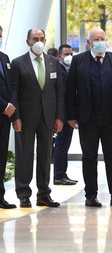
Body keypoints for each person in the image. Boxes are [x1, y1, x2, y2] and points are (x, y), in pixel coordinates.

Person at [66, 28, 112, 208]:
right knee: (89, 157)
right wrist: (70, 115)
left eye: (102, 38)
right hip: (88, 118)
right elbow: (70, 90)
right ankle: (91, 195)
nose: (100, 41)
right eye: (96, 39)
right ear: (89, 42)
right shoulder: (78, 61)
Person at [12, 28, 64, 208]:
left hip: (48, 117)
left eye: (42, 38)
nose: (39, 41)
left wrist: (59, 117)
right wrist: (15, 117)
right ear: (28, 42)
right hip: (25, 118)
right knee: (24, 157)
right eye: (35, 38)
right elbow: (14, 93)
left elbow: (59, 92)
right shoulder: (18, 63)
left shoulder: (53, 63)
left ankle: (43, 194)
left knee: (45, 156)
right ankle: (23, 194)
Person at [53, 44, 78, 185]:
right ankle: (59, 175)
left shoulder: (69, 70)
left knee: (65, 144)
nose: (69, 57)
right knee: (62, 144)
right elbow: (62, 94)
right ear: (59, 56)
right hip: (63, 115)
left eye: (71, 54)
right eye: (66, 54)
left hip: (69, 113)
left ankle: (62, 173)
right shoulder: (59, 70)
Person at [0, 25, 17, 209]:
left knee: (2, 156)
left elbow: (12, 84)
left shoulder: (4, 57)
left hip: (5, 118)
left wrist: (11, 105)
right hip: (2, 110)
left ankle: (0, 197)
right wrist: (4, 105)